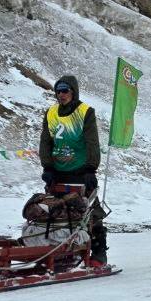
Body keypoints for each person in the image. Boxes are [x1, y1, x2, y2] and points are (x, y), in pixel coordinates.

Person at [39, 74, 108, 264]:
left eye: (64, 91)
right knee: (56, 212)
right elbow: (45, 142)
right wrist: (47, 167)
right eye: (58, 91)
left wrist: (91, 168)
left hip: (81, 173)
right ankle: (59, 250)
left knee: (91, 214)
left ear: (73, 92)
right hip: (57, 173)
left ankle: (99, 253)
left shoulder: (85, 112)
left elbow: (92, 142)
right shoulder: (51, 113)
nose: (61, 95)